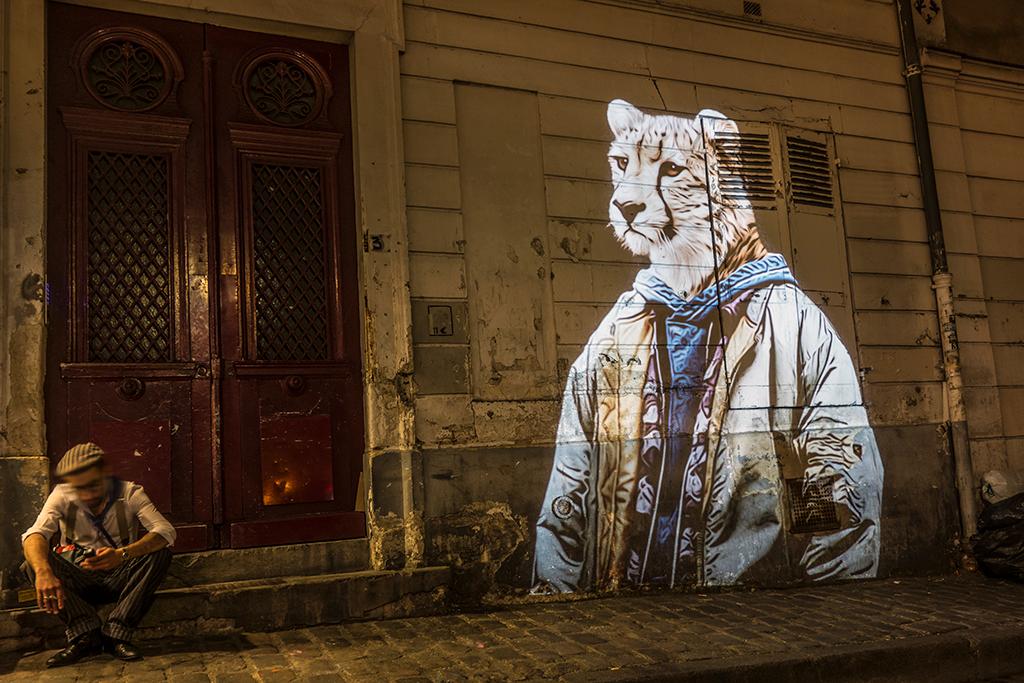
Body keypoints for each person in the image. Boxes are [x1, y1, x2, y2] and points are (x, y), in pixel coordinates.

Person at [21, 442, 176, 668]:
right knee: (31, 563)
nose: (86, 494)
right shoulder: (62, 495)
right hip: (78, 578)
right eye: (79, 488)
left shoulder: (130, 493)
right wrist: (43, 571)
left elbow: (165, 531)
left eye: (92, 485)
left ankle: (116, 633)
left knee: (160, 554)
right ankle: (86, 634)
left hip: (119, 576)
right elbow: (35, 534)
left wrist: (122, 554)